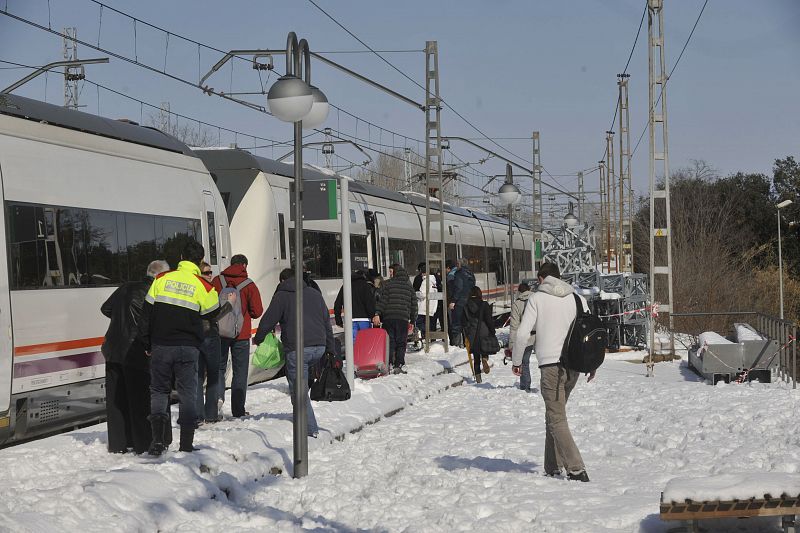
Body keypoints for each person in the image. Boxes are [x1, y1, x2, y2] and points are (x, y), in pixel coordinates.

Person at [511, 262, 594, 482]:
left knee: (557, 418)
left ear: (541, 279)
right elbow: (591, 333)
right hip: (574, 365)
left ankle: (576, 469)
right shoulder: (577, 298)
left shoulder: (537, 299)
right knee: (554, 414)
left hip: (550, 366)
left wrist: (517, 361)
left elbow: (521, 335)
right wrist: (592, 364)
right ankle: (552, 465)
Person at [141, 241, 220, 455]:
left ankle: (158, 441)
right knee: (187, 394)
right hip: (188, 348)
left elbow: (146, 314)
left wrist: (147, 343)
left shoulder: (161, 279)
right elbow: (213, 312)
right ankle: (186, 444)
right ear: (200, 261)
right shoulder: (204, 286)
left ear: (182, 256)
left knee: (158, 391)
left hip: (160, 346)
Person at [254, 268, 334, 438]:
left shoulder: (282, 295)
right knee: (300, 385)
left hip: (298, 349)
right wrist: (330, 348)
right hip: (318, 347)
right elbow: (327, 322)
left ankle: (310, 428)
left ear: (282, 281)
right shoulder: (314, 293)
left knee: (298, 391)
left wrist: (259, 338)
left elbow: (268, 320)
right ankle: (301, 416)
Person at [100, 259, 170, 454]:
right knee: (140, 399)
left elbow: (105, 308)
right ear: (161, 276)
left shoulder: (126, 287)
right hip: (136, 351)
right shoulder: (155, 292)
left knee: (116, 399)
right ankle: (142, 444)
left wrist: (119, 321)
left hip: (113, 348)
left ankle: (118, 444)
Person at [212, 254, 263, 418]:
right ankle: (238, 410)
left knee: (218, 368)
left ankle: (217, 398)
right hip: (241, 334)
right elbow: (257, 311)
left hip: (220, 332)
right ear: (244, 266)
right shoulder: (249, 285)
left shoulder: (217, 281)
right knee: (240, 372)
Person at [196, 262, 235, 424]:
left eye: (211, 272)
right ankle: (210, 414)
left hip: (195, 336)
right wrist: (229, 305)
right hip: (209, 335)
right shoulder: (207, 290)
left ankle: (198, 415)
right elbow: (214, 315)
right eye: (206, 273)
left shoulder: (193, 288)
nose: (210, 275)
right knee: (213, 374)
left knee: (197, 376)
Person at [372, 264, 416, 374]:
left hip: (389, 318)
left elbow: (383, 301)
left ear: (396, 272)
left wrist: (378, 313)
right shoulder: (409, 287)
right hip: (402, 318)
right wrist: (413, 320)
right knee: (401, 342)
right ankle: (399, 364)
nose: (390, 274)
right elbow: (413, 305)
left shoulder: (388, 285)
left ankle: (390, 363)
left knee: (390, 341)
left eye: (391, 272)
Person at [462, 286, 496, 384]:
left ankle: (478, 378)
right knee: (484, 348)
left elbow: (463, 322)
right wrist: (492, 331)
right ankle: (485, 358)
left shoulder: (465, 306)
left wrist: (467, 334)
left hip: (472, 332)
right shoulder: (484, 304)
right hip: (484, 331)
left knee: (476, 355)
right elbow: (489, 320)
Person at [333, 268, 376, 343]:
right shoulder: (365, 286)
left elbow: (337, 304)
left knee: (353, 344)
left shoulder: (345, 286)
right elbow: (369, 303)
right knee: (365, 343)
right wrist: (373, 316)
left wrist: (338, 320)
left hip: (350, 320)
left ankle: (354, 355)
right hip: (364, 320)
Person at [507, 282, 536, 392]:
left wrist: (511, 343)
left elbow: (514, 326)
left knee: (524, 361)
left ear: (519, 292)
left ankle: (525, 385)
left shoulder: (516, 304)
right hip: (537, 335)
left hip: (524, 337)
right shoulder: (536, 300)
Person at [448, 258, 476, 346]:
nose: (456, 265)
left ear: (460, 264)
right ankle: (467, 344)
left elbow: (458, 288)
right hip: (469, 302)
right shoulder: (471, 274)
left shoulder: (459, 274)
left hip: (459, 302)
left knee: (456, 324)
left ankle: (456, 345)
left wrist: (453, 301)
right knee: (466, 324)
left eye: (457, 264)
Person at [414, 264, 438, 340]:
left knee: (419, 324)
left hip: (424, 306)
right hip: (431, 306)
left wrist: (416, 293)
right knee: (428, 323)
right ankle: (428, 337)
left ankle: (422, 338)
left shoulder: (425, 281)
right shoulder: (433, 281)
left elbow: (423, 294)